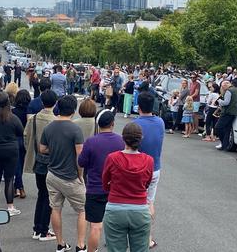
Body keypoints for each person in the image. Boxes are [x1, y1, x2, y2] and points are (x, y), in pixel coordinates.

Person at [39, 95, 87, 252]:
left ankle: (60, 243)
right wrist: (80, 176)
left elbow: (42, 149)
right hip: (70, 176)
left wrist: (56, 148)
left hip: (52, 175)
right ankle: (80, 245)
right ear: (73, 110)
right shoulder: (75, 129)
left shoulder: (49, 127)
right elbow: (80, 156)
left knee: (56, 208)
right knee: (82, 210)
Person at [78, 109, 125, 252]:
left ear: (98, 124)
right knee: (116, 227)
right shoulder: (121, 141)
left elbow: (81, 162)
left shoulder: (91, 142)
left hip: (95, 188)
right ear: (112, 123)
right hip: (116, 189)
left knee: (95, 226)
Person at [102, 122, 154, 252]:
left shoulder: (112, 158)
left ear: (123, 138)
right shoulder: (148, 160)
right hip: (140, 210)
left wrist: (113, 190)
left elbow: (105, 182)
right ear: (140, 138)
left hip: (115, 208)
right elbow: (146, 184)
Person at [24, 90, 58, 242]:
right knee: (49, 197)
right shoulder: (55, 121)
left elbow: (26, 136)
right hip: (51, 161)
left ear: (42, 102)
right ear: (55, 102)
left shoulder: (35, 118)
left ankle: (37, 228)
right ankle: (44, 230)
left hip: (38, 160)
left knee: (41, 194)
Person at [132, 91, 164, 249]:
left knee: (132, 201)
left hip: (136, 168)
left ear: (139, 106)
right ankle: (148, 237)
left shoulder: (135, 125)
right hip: (154, 168)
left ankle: (130, 235)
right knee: (149, 202)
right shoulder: (160, 122)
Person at [0, 92, 23, 216]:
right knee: (9, 179)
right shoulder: (13, 118)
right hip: (11, 150)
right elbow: (20, 132)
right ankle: (10, 207)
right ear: (8, 103)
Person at [13, 89, 31, 199]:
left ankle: (18, 187)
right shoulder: (29, 111)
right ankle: (19, 187)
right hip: (25, 139)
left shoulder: (13, 112)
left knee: (17, 164)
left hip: (15, 138)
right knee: (21, 164)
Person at [215, 80, 237, 151]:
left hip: (226, 112)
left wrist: (219, 101)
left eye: (222, 86)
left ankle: (223, 143)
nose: (222, 88)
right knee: (227, 130)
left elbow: (226, 103)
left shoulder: (228, 91)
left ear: (226, 85)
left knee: (218, 127)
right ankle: (225, 146)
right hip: (233, 113)